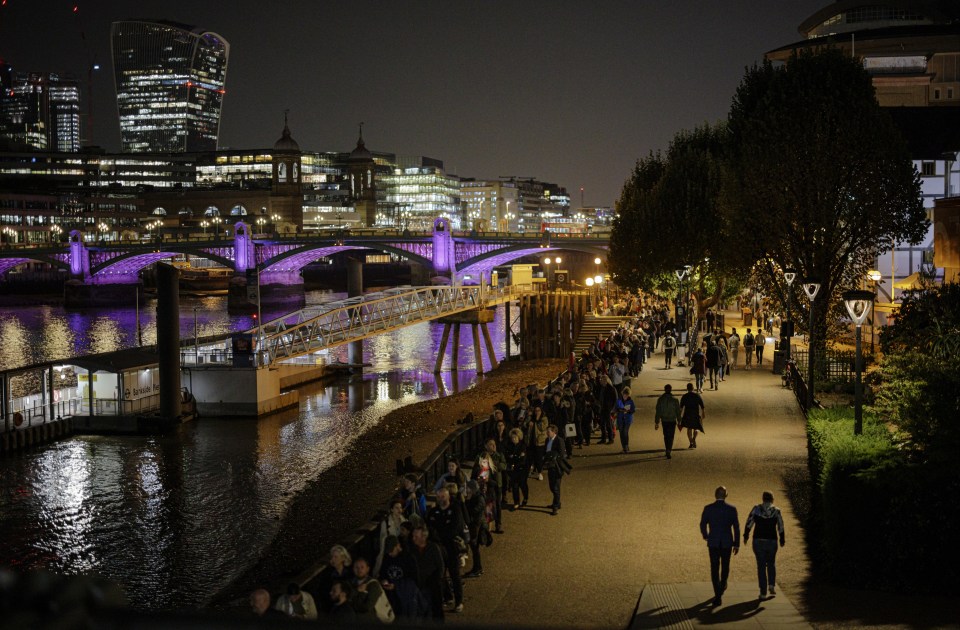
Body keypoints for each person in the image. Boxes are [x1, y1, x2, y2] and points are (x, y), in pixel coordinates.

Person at [699, 486, 741, 607]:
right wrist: (736, 543)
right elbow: (736, 527)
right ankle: (723, 584)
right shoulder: (732, 509)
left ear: (715, 495)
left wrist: (706, 535)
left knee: (714, 567)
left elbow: (702, 524)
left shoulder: (708, 508)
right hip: (727, 542)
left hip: (714, 542)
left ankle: (717, 594)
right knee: (725, 565)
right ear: (726, 495)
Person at [426, 487, 465, 613]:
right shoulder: (433, 512)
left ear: (448, 497)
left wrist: (440, 532)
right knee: (439, 575)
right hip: (438, 548)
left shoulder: (455, 510)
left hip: (451, 547)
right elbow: (430, 529)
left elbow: (454, 529)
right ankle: (447, 596)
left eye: (443, 496)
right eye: (438, 497)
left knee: (454, 574)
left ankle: (459, 601)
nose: (440, 499)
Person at [744, 491, 786, 599]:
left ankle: (763, 592)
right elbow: (780, 526)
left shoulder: (756, 509)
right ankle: (771, 584)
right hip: (772, 540)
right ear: (772, 499)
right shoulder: (776, 511)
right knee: (771, 563)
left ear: (763, 499)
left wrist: (746, 535)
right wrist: (782, 539)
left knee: (761, 566)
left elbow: (749, 522)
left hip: (758, 540)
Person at [410, 525, 446, 620]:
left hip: (433, 585)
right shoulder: (412, 550)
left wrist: (437, 580)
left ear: (424, 537)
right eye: (413, 536)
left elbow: (440, 566)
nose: (413, 539)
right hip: (419, 585)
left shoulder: (433, 548)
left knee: (436, 610)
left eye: (416, 537)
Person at [471, 438, 506, 534]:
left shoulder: (499, 455)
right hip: (484, 487)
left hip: (496, 485)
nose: (494, 446)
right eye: (491, 444)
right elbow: (475, 471)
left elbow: (503, 466)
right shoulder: (481, 456)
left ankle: (498, 525)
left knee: (497, 505)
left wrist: (492, 464)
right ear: (486, 446)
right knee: (486, 506)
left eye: (494, 444)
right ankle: (485, 527)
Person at [374, 499, 407, 577]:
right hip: (390, 551)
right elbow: (383, 540)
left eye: (400, 508)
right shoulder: (385, 523)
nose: (399, 510)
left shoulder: (404, 521)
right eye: (397, 508)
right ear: (392, 510)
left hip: (401, 550)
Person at [462, 480, 488, 578]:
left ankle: (478, 569)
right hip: (474, 525)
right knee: (474, 548)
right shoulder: (474, 497)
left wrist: (467, 500)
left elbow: (473, 511)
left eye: (468, 487)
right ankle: (477, 568)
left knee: (475, 548)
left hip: (477, 526)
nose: (466, 489)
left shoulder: (479, 498)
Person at [543, 424, 567, 515]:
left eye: (548, 431)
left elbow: (561, 454)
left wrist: (553, 458)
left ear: (554, 432)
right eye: (547, 431)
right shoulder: (547, 440)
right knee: (552, 486)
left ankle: (556, 506)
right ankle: (557, 503)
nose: (547, 433)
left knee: (556, 488)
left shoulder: (559, 440)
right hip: (550, 466)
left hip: (557, 467)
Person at [503, 427, 528, 509]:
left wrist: (514, 457)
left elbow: (523, 459)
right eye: (512, 437)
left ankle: (525, 497)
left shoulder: (523, 446)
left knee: (523, 485)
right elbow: (508, 457)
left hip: (522, 469)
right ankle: (516, 502)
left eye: (515, 437)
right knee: (514, 486)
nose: (513, 439)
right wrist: (516, 457)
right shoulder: (509, 446)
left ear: (519, 437)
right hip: (513, 470)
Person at [654, 384, 682, 459]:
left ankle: (667, 448)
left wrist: (657, 422)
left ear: (664, 389)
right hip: (672, 420)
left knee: (666, 435)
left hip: (664, 420)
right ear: (671, 389)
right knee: (671, 435)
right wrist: (679, 420)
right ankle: (669, 449)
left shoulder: (660, 399)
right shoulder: (675, 400)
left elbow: (658, 411)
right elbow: (678, 411)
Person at [679, 383, 705, 448]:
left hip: (687, 414)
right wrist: (703, 413)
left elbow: (681, 408)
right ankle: (694, 439)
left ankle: (691, 442)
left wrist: (679, 416)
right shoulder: (697, 395)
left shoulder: (684, 396)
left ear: (687, 388)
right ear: (693, 388)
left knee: (689, 428)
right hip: (695, 414)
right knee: (696, 428)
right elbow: (702, 406)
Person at [615, 387, 636, 453]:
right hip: (620, 419)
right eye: (624, 394)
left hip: (627, 419)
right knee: (621, 433)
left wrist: (628, 411)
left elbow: (633, 410)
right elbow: (616, 408)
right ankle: (624, 447)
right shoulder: (619, 400)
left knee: (625, 432)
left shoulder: (631, 401)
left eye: (626, 395)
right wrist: (620, 410)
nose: (625, 396)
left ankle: (626, 447)